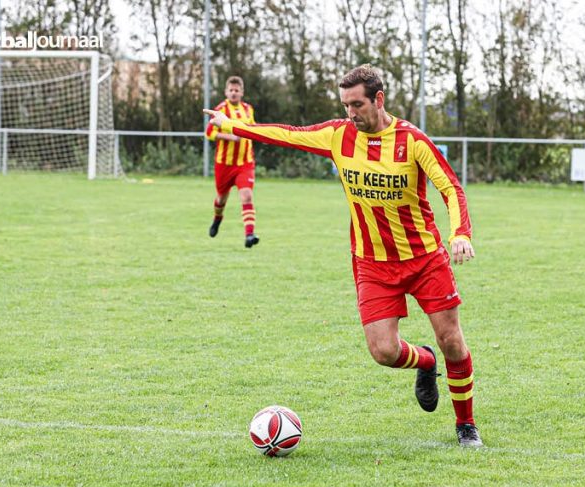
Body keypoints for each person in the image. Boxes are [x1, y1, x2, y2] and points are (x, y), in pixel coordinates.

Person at [203, 64, 483, 447]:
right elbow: (288, 135)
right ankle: (426, 362)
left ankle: (465, 425)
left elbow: (451, 188)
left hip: (424, 258)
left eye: (358, 104)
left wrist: (460, 233)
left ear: (378, 99)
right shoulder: (338, 136)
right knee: (383, 351)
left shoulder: (412, 140)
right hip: (371, 261)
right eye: (345, 105)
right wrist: (231, 125)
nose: (351, 113)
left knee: (452, 338)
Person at [204, 76, 259, 248]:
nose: (234, 93)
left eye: (237, 90)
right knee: (221, 199)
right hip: (224, 164)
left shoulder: (248, 110)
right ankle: (217, 219)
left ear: (242, 92)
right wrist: (230, 137)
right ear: (226, 92)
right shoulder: (220, 110)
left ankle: (249, 234)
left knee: (247, 195)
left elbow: (253, 127)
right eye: (231, 90)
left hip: (245, 162)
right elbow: (209, 133)